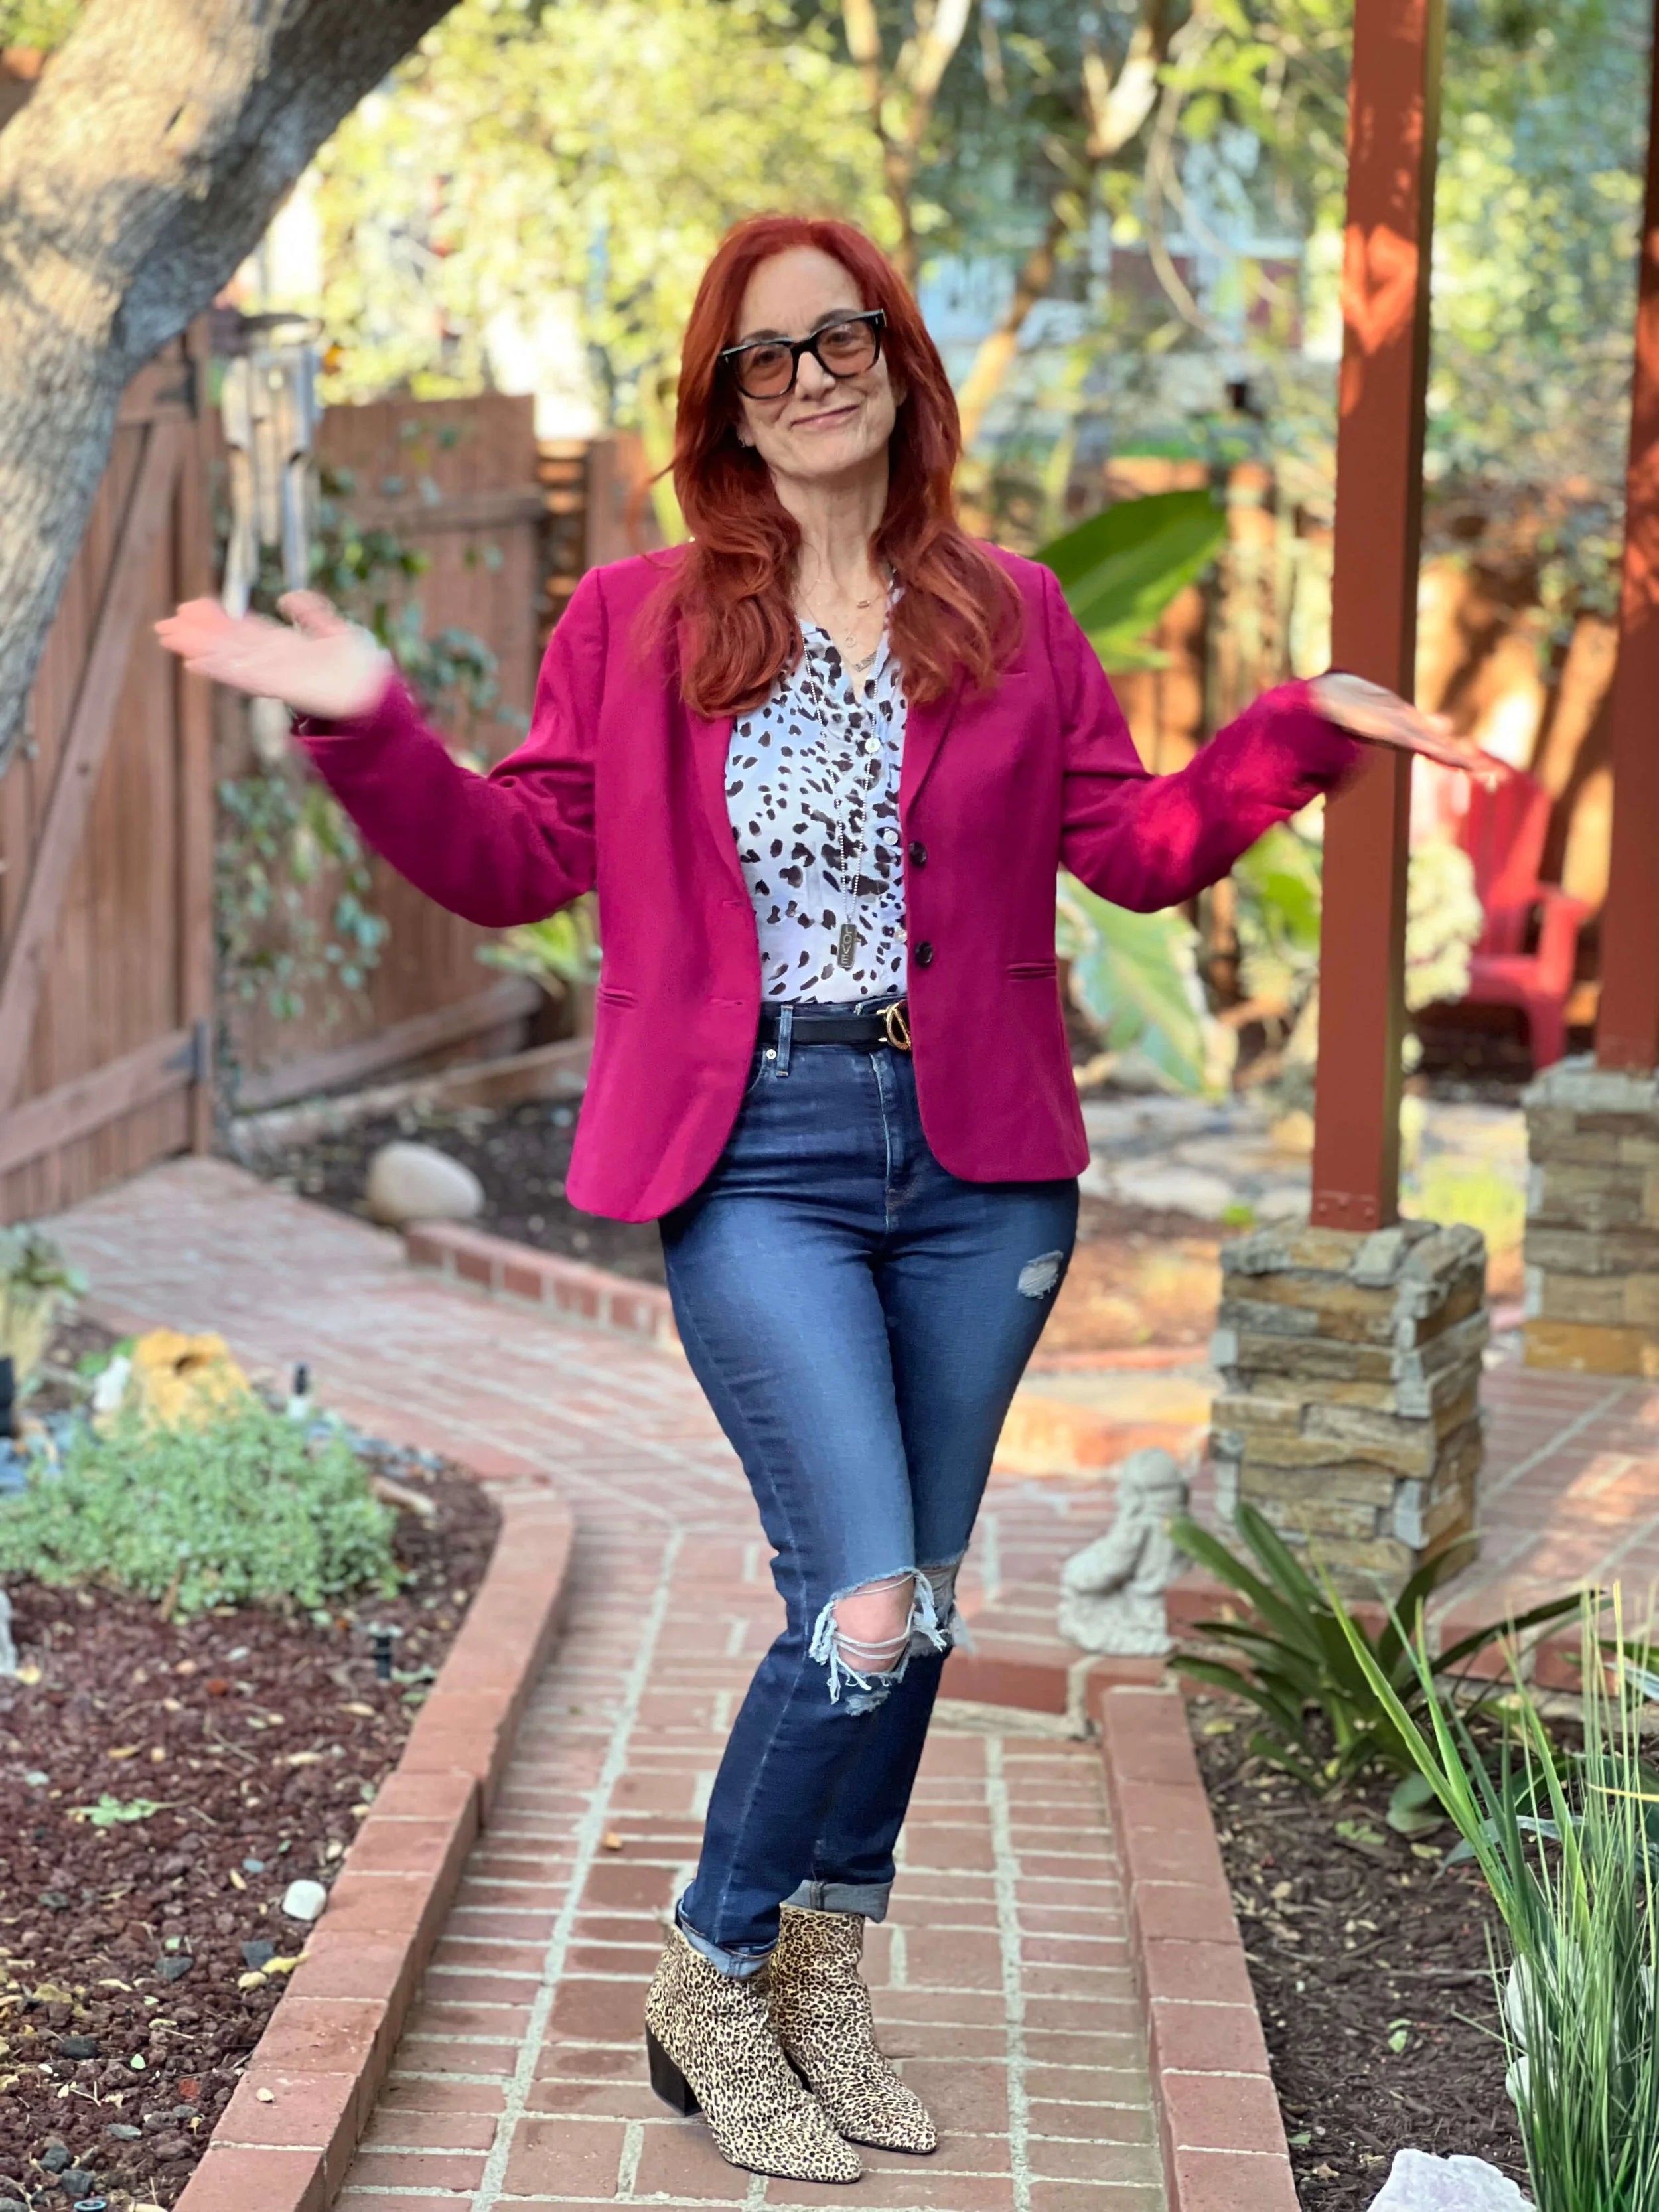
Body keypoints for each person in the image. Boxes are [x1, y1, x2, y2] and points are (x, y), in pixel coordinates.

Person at [159, 212, 1485, 2187]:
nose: (804, 379)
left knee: (928, 1606)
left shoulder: (1014, 609)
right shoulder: (631, 618)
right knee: (854, 1595)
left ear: (896, 355)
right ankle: (705, 1973)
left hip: (976, 1167)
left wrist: (1297, 734)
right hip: (755, 1145)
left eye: (835, 338)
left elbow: (1125, 854)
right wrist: (365, 720)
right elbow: (522, 860)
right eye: (758, 360)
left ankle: (822, 1967)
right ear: (723, 407)